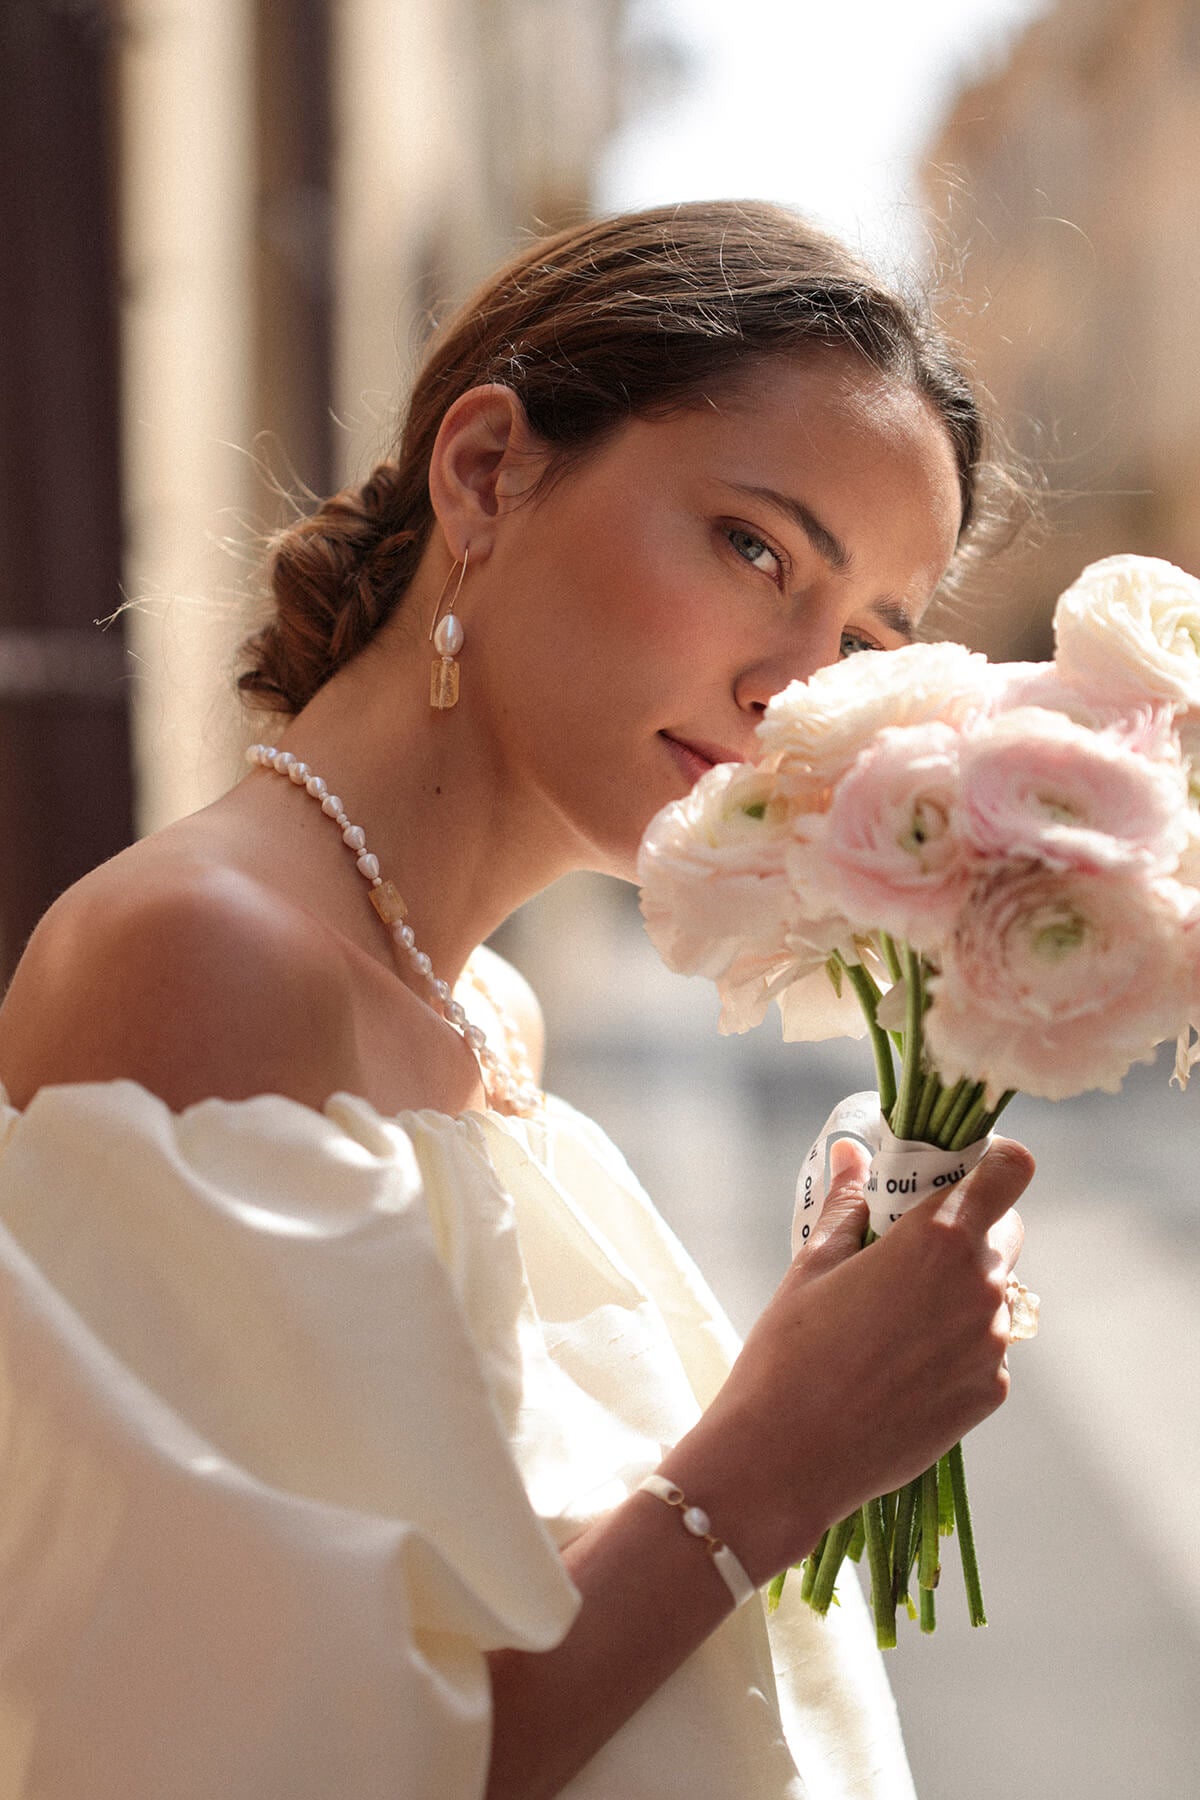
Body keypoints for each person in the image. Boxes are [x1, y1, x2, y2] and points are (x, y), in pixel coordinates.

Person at [0, 200, 1032, 1799]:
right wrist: (782, 1451)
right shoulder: (204, 966)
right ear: (486, 471)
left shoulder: (480, 1019)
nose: (795, 687)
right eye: (757, 548)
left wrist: (831, 1355)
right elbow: (302, 1759)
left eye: (865, 639)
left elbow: (528, 1600)